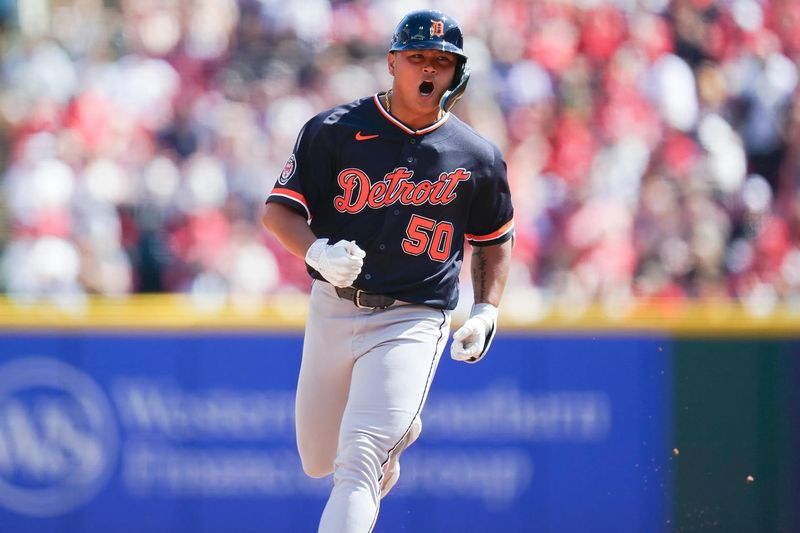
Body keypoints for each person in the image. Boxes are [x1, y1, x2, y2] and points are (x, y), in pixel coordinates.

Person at [260, 9, 514, 532]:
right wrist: (314, 252)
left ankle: (388, 432)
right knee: (317, 458)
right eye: (417, 57)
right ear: (392, 62)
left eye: (441, 62)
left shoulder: (476, 155)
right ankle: (402, 425)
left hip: (414, 319)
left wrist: (487, 309)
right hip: (334, 305)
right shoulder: (334, 130)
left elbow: (494, 240)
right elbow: (278, 211)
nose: (428, 70)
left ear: (456, 74)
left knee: (358, 461)